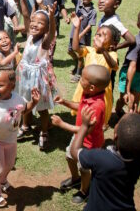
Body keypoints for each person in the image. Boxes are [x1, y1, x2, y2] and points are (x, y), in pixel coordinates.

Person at [70, 106, 140, 210]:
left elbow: (74, 151)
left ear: (115, 136)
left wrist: (84, 125)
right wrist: (135, 120)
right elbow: (137, 138)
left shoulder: (102, 159)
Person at [0, 67, 40, 207]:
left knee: (9, 165)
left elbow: (24, 109)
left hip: (11, 140)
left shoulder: (17, 98)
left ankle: (2, 181)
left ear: (12, 86)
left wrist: (34, 102)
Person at [51, 65, 110, 204]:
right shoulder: (89, 94)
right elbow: (81, 107)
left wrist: (62, 124)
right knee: (69, 157)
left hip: (90, 143)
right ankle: (75, 179)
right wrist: (65, 102)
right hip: (79, 138)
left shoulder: (97, 106)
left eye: (83, 79)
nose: (80, 80)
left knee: (85, 168)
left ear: (92, 87)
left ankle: (85, 191)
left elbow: (85, 130)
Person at [16, 6, 57, 150]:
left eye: (40, 23)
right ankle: (25, 125)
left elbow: (52, 32)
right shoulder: (29, 36)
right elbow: (26, 15)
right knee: (25, 102)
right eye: (34, 21)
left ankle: (44, 131)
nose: (34, 24)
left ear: (46, 29)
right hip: (24, 75)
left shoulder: (44, 43)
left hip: (38, 79)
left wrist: (51, 17)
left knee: (41, 107)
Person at [71, 15, 120, 128]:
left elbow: (114, 65)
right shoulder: (90, 50)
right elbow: (75, 48)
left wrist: (103, 50)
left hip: (101, 91)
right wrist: (77, 28)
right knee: (83, 109)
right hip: (86, 86)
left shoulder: (111, 54)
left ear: (112, 44)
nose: (98, 37)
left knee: (97, 116)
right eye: (98, 34)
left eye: (103, 36)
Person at [66, 0, 97, 82]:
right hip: (73, 34)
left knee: (80, 55)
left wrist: (80, 35)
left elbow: (90, 26)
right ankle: (78, 65)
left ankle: (78, 74)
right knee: (70, 51)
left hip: (83, 37)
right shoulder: (78, 3)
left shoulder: (93, 11)